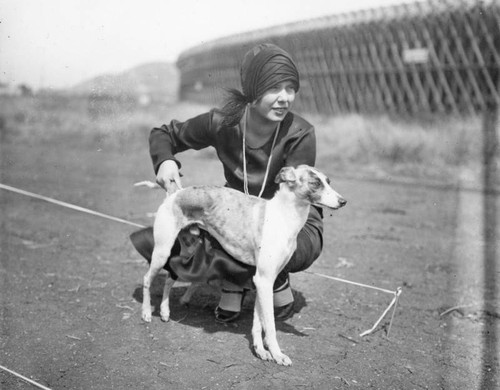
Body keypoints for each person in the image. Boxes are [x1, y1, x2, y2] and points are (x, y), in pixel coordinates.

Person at [130, 43, 324, 323]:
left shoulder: (300, 133)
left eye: (290, 88)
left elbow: (291, 207)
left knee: (270, 244)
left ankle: (271, 278)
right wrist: (165, 161)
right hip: (237, 219)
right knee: (191, 227)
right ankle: (235, 279)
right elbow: (164, 134)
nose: (285, 98)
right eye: (274, 88)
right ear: (253, 89)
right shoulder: (221, 122)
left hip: (291, 224)